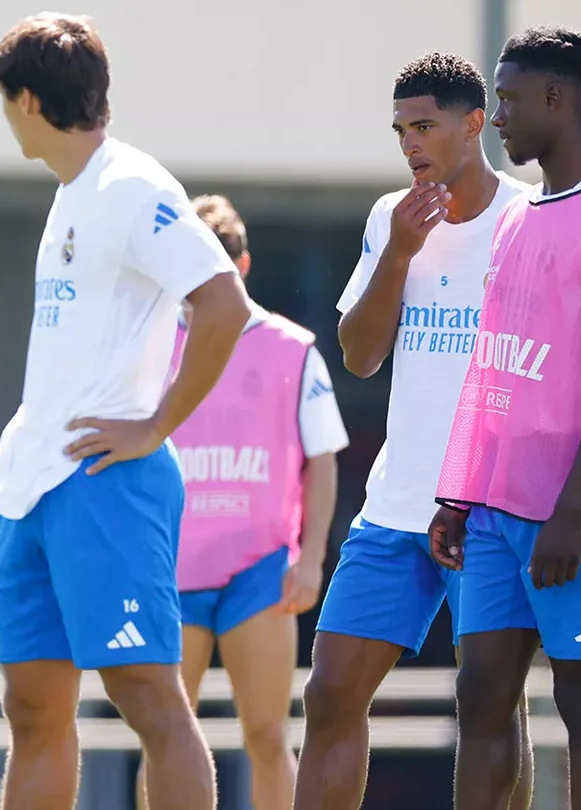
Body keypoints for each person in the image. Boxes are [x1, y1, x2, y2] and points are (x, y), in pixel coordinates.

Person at [0, 13, 251, 810]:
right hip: (34, 482)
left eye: (3, 100)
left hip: (107, 478)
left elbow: (223, 304)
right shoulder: (72, 194)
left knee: (149, 701)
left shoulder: (134, 185)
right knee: (31, 708)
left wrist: (156, 426)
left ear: (27, 100)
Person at [432, 26, 581, 809]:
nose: (495, 116)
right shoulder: (516, 217)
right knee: (480, 697)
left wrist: (569, 514)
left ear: (556, 99)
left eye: (506, 99)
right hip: (499, 508)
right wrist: (460, 491)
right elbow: (491, 367)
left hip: (578, 510)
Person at [295, 52, 536, 810]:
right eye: (400, 130)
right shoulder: (388, 219)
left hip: (492, 509)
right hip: (397, 505)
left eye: (424, 126)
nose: (410, 144)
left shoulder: (532, 219)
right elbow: (361, 356)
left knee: (493, 707)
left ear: (474, 124)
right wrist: (399, 252)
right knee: (331, 692)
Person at [134, 194, 349, 810]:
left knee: (267, 732)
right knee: (167, 734)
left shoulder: (291, 348)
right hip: (172, 571)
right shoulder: (149, 348)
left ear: (243, 267)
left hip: (260, 570)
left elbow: (323, 457)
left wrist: (311, 559)